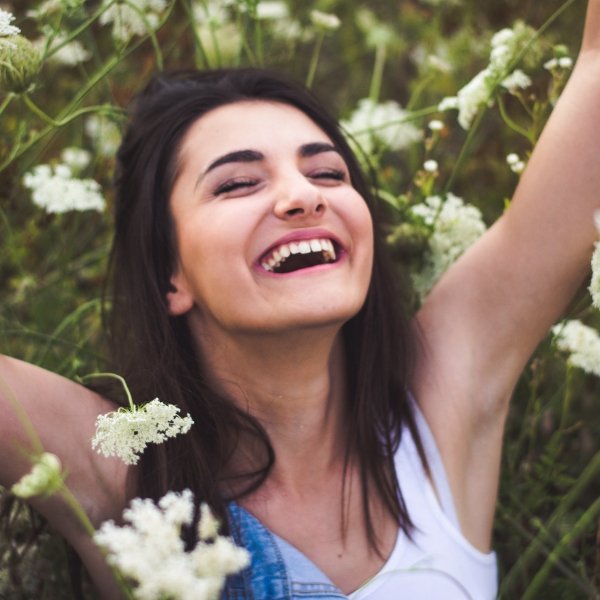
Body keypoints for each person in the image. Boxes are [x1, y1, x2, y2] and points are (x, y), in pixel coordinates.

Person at [1, 2, 600, 597]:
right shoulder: (119, 459)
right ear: (169, 275)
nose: (303, 195)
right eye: (237, 183)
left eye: (330, 173)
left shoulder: (440, 409)